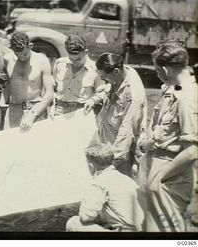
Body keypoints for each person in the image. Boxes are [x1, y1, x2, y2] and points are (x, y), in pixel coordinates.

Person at [140, 43, 198, 232]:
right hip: (162, 166)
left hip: (171, 173)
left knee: (170, 234)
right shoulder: (177, 90)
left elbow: (192, 151)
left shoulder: (187, 98)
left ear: (165, 69)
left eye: (157, 70)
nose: (157, 74)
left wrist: (160, 178)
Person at [90, 53, 147, 178]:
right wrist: (94, 100)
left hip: (120, 151)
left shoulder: (133, 95)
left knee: (116, 184)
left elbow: (127, 131)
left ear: (116, 71)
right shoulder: (123, 72)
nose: (103, 81)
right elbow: (109, 89)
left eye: (104, 78)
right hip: (108, 141)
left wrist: (114, 162)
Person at [66, 141, 145, 232]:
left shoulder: (100, 182)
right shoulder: (126, 179)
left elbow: (85, 217)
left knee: (73, 223)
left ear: (91, 166)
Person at [3, 31, 54, 130]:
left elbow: (50, 94)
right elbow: (8, 83)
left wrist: (33, 114)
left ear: (30, 46)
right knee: (12, 144)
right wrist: (4, 102)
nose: (22, 58)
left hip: (35, 109)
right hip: (14, 111)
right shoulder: (7, 59)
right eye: (18, 56)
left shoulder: (42, 61)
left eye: (25, 54)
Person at [51, 34, 105, 116]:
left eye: (78, 59)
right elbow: (53, 88)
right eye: (71, 59)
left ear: (85, 52)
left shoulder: (95, 70)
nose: (74, 62)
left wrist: (92, 101)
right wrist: (52, 106)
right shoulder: (60, 64)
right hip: (59, 110)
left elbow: (102, 92)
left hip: (82, 112)